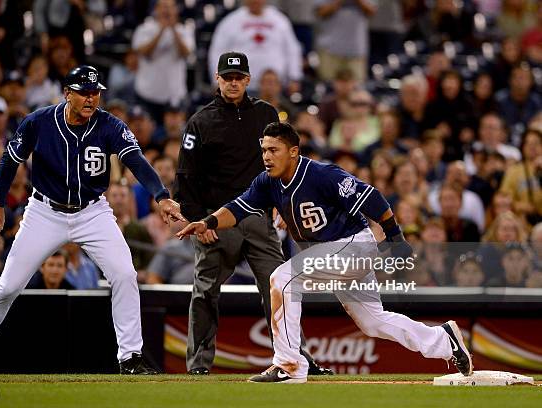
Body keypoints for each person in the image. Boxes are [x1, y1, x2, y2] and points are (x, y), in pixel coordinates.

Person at [176, 122, 473, 383]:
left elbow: (371, 196)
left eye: (274, 150)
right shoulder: (268, 182)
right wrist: (208, 221)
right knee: (373, 321)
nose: (266, 156)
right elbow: (239, 208)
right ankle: (444, 340)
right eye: (264, 150)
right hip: (331, 253)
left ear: (293, 152)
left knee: (283, 279)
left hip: (352, 245)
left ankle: (289, 364)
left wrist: (395, 236)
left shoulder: (320, 174)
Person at [0, 65, 185, 376]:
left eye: (95, 93)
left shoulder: (109, 125)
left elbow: (135, 160)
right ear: (67, 93)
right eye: (84, 92)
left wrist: (161, 196)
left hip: (92, 211)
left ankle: (130, 357)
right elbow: (8, 160)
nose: (91, 98)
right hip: (45, 211)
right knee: (8, 285)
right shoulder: (39, 121)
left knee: (124, 274)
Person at [174, 52, 329, 375]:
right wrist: (197, 222)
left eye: (238, 77)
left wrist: (287, 205)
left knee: (280, 289)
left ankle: (295, 359)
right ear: (217, 79)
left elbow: (288, 163)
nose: (233, 83)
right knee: (205, 293)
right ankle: (198, 366)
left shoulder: (267, 114)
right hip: (217, 220)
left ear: (247, 79)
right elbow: (186, 177)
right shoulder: (201, 122)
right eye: (227, 77)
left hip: (259, 218)